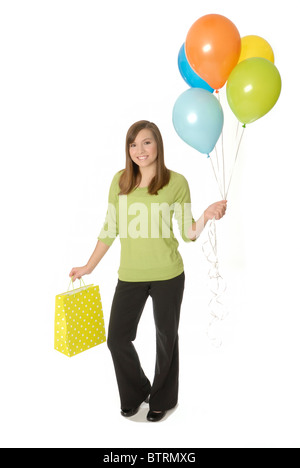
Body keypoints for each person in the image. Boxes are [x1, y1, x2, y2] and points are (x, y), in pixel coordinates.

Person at [69, 120, 227, 422]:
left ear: (158, 145)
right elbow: (110, 229)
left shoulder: (176, 182)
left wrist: (206, 215)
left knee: (166, 337)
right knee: (116, 338)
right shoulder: (120, 182)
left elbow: (188, 233)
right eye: (133, 144)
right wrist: (88, 266)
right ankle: (136, 392)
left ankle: (163, 399)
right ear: (127, 150)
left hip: (168, 274)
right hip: (130, 276)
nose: (140, 150)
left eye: (146, 142)